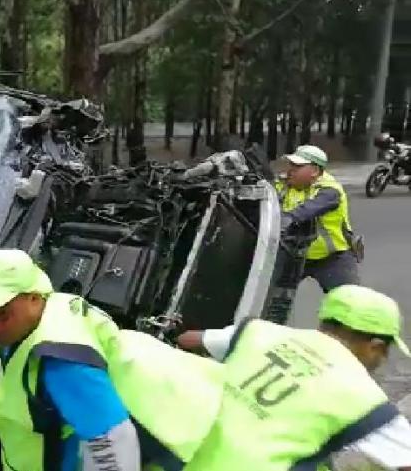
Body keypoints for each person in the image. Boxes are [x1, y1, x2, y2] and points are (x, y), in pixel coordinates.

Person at [0, 249, 228, 471]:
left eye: (1, 313)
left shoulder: (62, 365)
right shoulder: (45, 312)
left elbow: (114, 447)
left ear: (34, 298)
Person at [176, 285, 411, 470]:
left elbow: (187, 340)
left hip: (175, 458)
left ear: (323, 323)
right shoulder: (366, 401)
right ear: (375, 346)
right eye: (384, 352)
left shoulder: (258, 332)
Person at [276, 144, 360, 292]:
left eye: (297, 166)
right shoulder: (283, 185)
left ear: (315, 171)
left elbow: (307, 210)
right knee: (274, 303)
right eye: (291, 165)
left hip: (332, 258)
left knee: (349, 302)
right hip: (293, 254)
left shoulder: (330, 190)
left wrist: (285, 219)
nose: (290, 170)